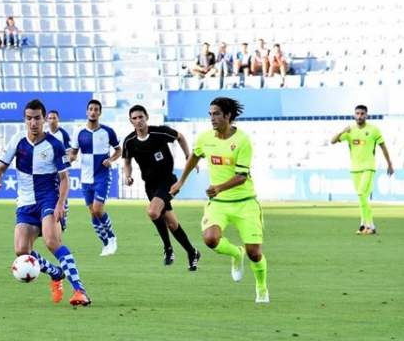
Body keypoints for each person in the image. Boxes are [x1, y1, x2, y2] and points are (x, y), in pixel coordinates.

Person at [0, 99, 91, 307]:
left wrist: (60, 204)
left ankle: (79, 290)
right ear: (25, 120)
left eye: (37, 118)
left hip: (49, 199)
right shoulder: (17, 141)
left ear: (44, 119)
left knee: (52, 241)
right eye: (29, 118)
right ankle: (55, 273)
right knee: (21, 250)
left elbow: (64, 179)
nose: (33, 122)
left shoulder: (54, 145)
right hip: (26, 203)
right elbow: (0, 167)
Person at [170, 97, 269, 303]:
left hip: (245, 202)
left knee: (255, 254)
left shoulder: (242, 141)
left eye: (216, 114)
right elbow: (195, 156)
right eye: (210, 114)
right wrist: (181, 182)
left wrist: (219, 187)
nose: (212, 118)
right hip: (219, 204)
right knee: (210, 239)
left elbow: (242, 176)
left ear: (227, 116)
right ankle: (235, 254)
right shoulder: (206, 138)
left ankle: (261, 287)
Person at [122, 105, 201, 270]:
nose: (138, 121)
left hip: (167, 181)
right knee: (172, 224)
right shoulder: (129, 141)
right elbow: (127, 161)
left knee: (152, 212)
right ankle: (192, 252)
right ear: (131, 121)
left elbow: (180, 137)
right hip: (150, 185)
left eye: (140, 117)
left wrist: (189, 157)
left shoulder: (160, 132)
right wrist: (128, 176)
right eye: (134, 118)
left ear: (147, 117)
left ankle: (168, 249)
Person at [330, 105, 395, 234]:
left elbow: (383, 147)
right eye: (357, 113)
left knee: (361, 193)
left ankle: (370, 225)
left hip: (368, 168)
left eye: (362, 114)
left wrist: (389, 164)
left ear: (367, 115)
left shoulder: (374, 130)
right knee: (362, 197)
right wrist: (342, 131)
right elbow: (332, 141)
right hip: (354, 169)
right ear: (354, 115)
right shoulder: (349, 131)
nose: (359, 116)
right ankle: (363, 224)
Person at [69, 99, 122, 256]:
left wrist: (111, 160)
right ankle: (105, 243)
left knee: (98, 209)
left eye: (96, 109)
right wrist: (71, 157)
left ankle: (112, 237)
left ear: (100, 113)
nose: (93, 112)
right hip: (85, 178)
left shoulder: (108, 132)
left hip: (102, 176)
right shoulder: (79, 133)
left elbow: (119, 150)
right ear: (87, 112)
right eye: (90, 109)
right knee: (92, 212)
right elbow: (73, 153)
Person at [45, 109, 72, 231]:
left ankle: (63, 220)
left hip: (61, 171)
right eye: (50, 118)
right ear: (46, 120)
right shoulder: (44, 135)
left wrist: (63, 164)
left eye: (54, 118)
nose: (52, 121)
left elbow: (69, 153)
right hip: (49, 172)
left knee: (63, 194)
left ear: (58, 119)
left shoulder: (63, 135)